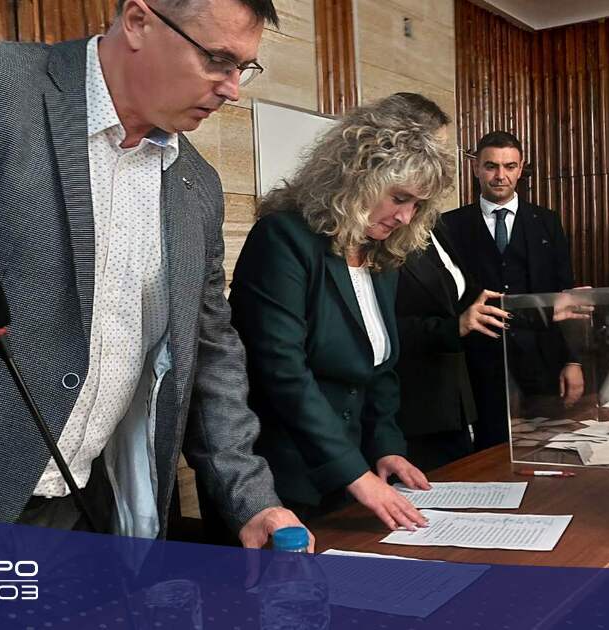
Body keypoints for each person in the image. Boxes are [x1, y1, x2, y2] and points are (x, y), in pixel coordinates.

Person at [0, 0, 308, 546]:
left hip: (85, 506)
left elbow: (208, 350)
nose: (232, 90)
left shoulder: (198, 184)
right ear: (138, 22)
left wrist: (251, 498)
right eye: (217, 60)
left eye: (243, 68)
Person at [230, 93, 455, 531]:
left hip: (349, 476)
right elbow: (283, 372)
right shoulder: (283, 239)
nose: (405, 217)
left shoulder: (381, 254)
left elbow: (380, 369)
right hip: (280, 479)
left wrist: (387, 446)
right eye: (399, 198)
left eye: (417, 206)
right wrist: (355, 474)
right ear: (359, 176)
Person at [441, 130, 583, 450]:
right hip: (478, 362)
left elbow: (564, 295)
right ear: (476, 168)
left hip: (540, 357)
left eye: (509, 166)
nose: (500, 175)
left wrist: (572, 361)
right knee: (486, 451)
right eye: (491, 166)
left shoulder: (547, 222)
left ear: (520, 169)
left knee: (547, 446)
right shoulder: (449, 225)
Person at [387, 97, 507, 472]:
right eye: (435, 148)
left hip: (454, 402)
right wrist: (452, 327)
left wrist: (547, 306)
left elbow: (466, 298)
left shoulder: (433, 221)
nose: (443, 162)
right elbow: (381, 326)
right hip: (410, 410)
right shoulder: (383, 227)